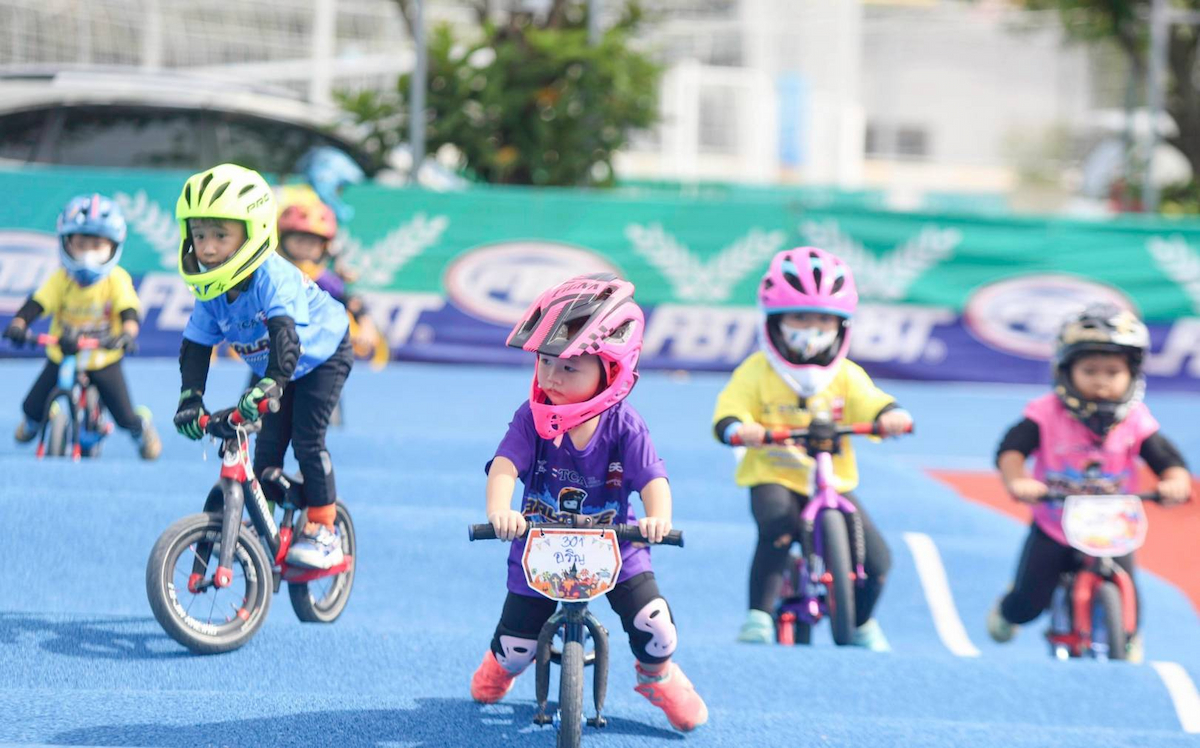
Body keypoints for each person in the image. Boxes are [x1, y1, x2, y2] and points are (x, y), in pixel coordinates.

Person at [469, 273, 708, 732]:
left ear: (610, 371)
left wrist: (659, 519)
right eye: (544, 362)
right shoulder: (530, 418)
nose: (551, 377)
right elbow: (504, 466)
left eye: (569, 367)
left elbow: (653, 479)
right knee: (517, 646)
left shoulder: (624, 424)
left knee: (656, 625)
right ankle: (502, 666)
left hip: (617, 546)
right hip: (539, 543)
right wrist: (500, 510)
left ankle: (656, 675)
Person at [712, 247, 911, 650]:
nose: (812, 328)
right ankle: (759, 616)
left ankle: (861, 622)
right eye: (800, 317)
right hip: (775, 472)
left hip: (830, 482)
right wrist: (739, 427)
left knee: (879, 561)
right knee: (777, 528)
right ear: (775, 321)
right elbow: (730, 410)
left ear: (841, 325)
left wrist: (891, 415)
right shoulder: (757, 371)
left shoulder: (846, 375)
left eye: (823, 319)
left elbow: (872, 401)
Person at [171, 163, 354, 568]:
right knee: (267, 449)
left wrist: (271, 384)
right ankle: (264, 519)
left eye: (221, 235)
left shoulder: (274, 277)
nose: (207, 247)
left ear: (253, 233)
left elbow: (286, 337)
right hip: (277, 365)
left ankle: (325, 529)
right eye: (199, 235)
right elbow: (197, 347)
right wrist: (190, 399)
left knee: (307, 441)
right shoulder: (211, 292)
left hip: (322, 355)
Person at [986, 304, 1191, 661]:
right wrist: (1017, 479)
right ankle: (1009, 609)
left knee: (1130, 599)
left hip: (1112, 525)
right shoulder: (1045, 413)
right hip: (1054, 523)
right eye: (1090, 370)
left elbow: (1166, 458)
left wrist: (1175, 481)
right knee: (1030, 602)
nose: (1101, 381)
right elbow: (1012, 448)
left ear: (1132, 374)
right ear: (1066, 371)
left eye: (1113, 372)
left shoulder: (1135, 420)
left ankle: (1124, 635)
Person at [4, 194, 160, 460]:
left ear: (112, 247)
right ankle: (34, 422)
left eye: (97, 245)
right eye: (81, 244)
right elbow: (38, 302)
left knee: (123, 415)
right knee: (31, 406)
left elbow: (129, 311)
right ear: (66, 244)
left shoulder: (116, 280)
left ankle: (140, 428)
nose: (88, 253)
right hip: (63, 353)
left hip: (103, 357)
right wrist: (19, 323)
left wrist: (127, 334)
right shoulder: (61, 279)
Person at [276, 198, 382, 361]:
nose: (305, 248)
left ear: (324, 247)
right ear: (283, 239)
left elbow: (352, 302)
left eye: (312, 243)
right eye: (299, 240)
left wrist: (367, 326)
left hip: (316, 355)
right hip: (275, 351)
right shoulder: (269, 274)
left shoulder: (320, 278)